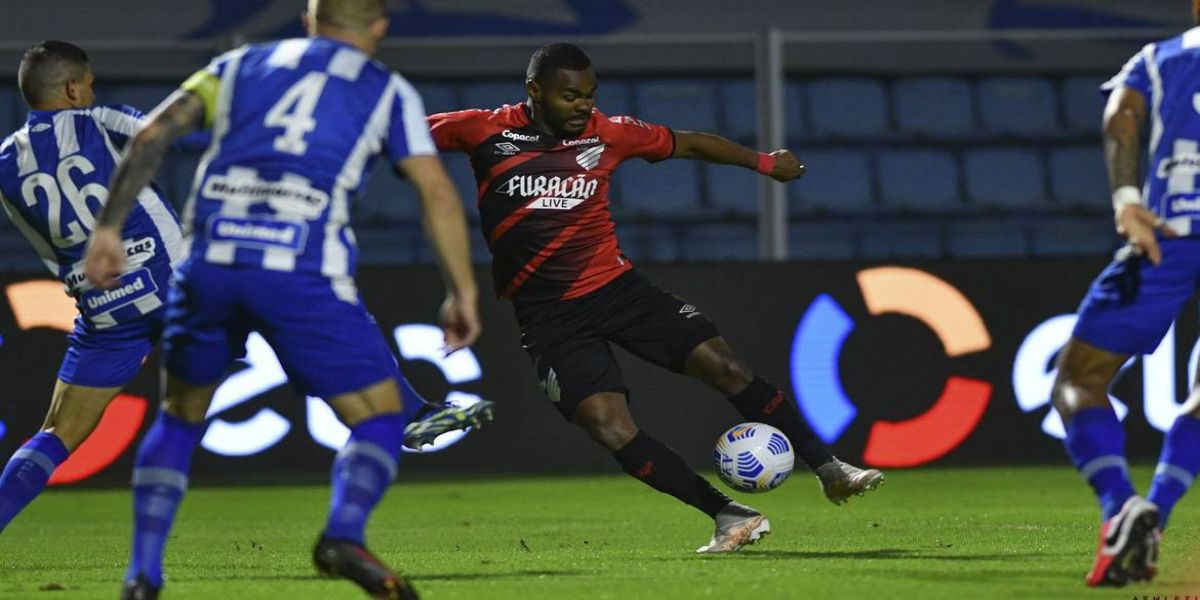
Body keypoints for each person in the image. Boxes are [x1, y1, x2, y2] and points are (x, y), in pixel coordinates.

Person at [83, 1, 482, 597]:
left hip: (209, 267)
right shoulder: (386, 89)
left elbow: (152, 132)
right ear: (378, 27)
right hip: (300, 271)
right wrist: (462, 290)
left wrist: (110, 228)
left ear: (308, 21)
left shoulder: (240, 64)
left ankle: (142, 576)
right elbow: (437, 194)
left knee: (179, 415)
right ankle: (343, 534)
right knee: (380, 417)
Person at [427, 42, 884, 554]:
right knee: (607, 424)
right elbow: (398, 134)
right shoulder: (484, 131)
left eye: (590, 95)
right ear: (534, 92)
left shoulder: (611, 133)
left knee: (724, 366)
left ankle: (829, 467)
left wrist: (762, 162)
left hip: (618, 291)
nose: (584, 106)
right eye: (570, 96)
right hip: (548, 316)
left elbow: (689, 144)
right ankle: (729, 515)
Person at [0, 41, 186, 533]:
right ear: (72, 88)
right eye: (89, 83)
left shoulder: (3, 164)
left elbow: (41, 240)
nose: (92, 91)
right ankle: (402, 410)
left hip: (104, 310)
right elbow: (164, 134)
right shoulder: (100, 119)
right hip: (176, 287)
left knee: (56, 433)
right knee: (297, 308)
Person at [1051, 1, 1200, 588]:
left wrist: (1126, 201)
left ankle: (1121, 506)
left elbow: (1122, 118)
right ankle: (1154, 513)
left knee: (1077, 380)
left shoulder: (1160, 60)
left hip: (1168, 239)